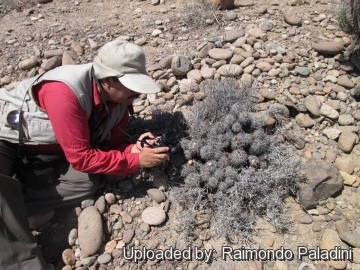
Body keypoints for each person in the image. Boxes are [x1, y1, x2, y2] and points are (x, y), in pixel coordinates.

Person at [0, 40, 169, 269]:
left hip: (46, 151)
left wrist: (134, 149)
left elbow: (106, 150)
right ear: (107, 80)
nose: (137, 92)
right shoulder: (64, 92)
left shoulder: (118, 102)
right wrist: (136, 161)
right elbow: (81, 157)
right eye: (131, 85)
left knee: (85, 182)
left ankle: (12, 208)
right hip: (7, 141)